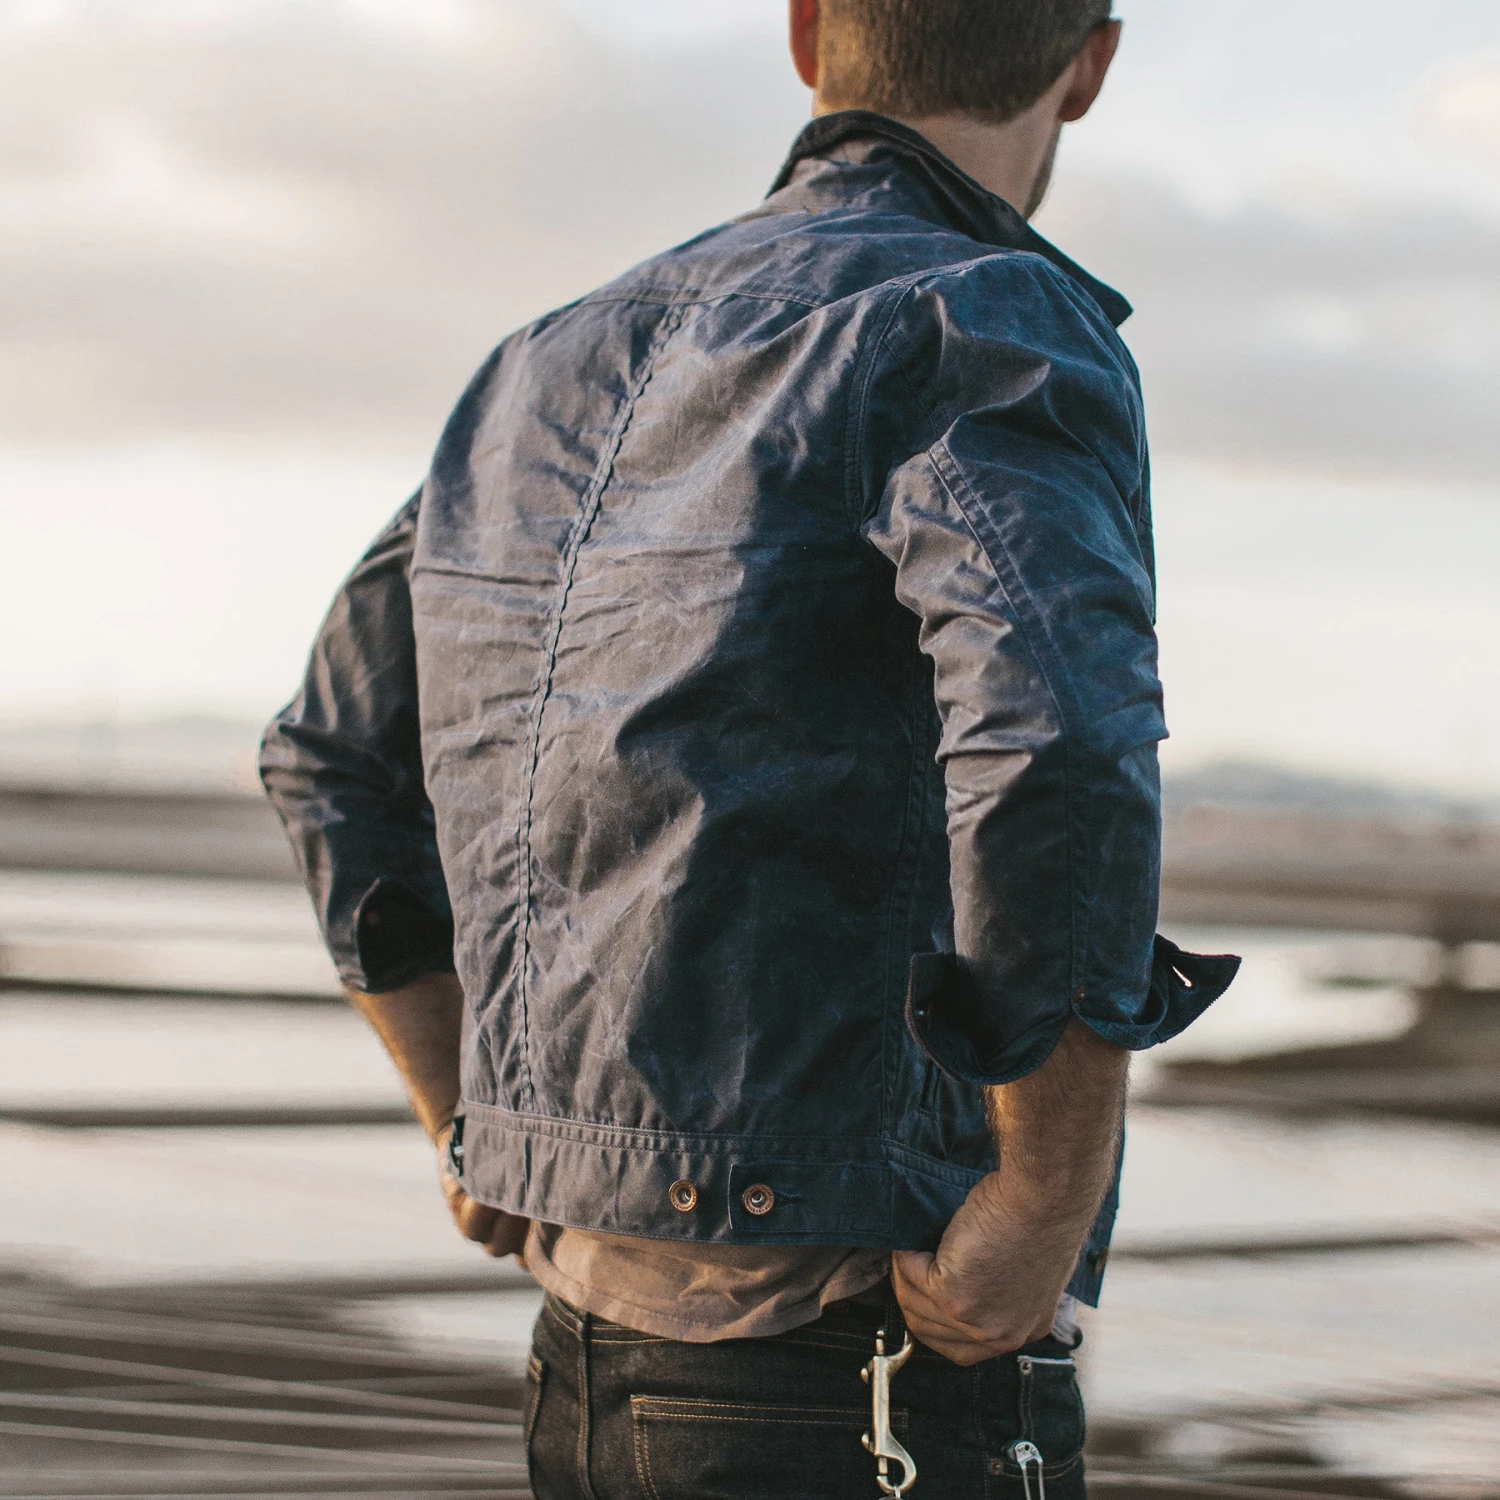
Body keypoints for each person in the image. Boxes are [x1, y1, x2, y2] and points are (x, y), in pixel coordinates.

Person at [261, 1, 1240, 1494]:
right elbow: (1060, 741)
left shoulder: (540, 362)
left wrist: (472, 1115)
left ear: (807, 36)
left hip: (585, 1353)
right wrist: (1045, 1196)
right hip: (862, 1348)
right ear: (1090, 64)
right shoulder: (984, 316)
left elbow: (331, 755)